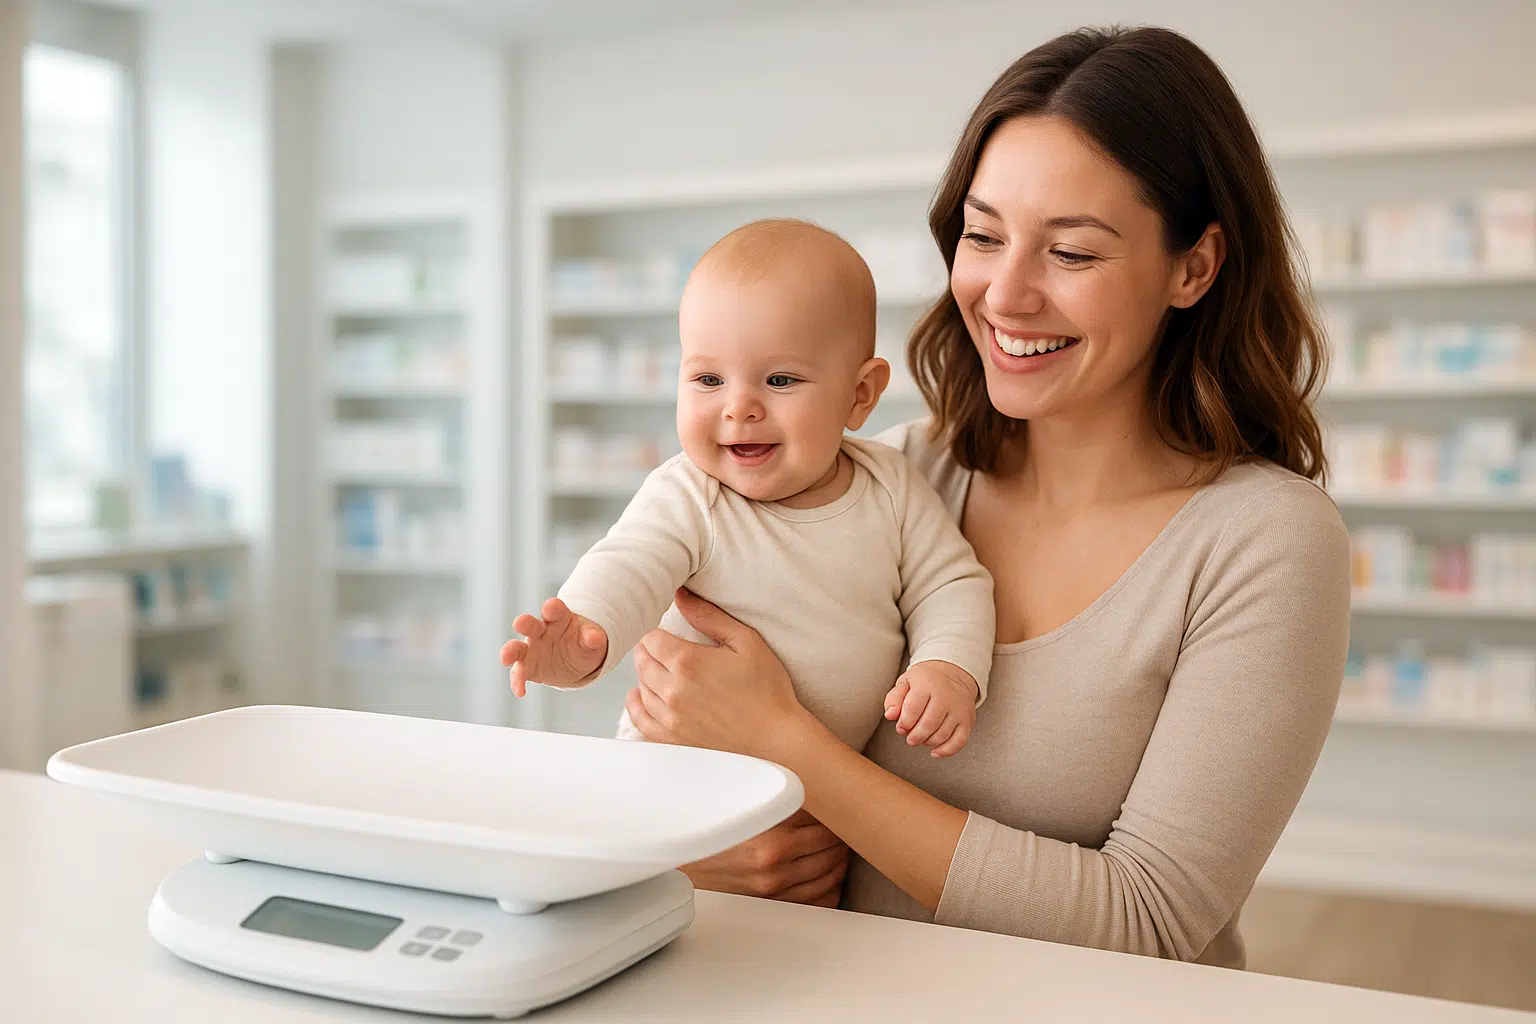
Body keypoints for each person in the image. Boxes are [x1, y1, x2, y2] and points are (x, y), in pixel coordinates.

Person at [619, 25, 1351, 968]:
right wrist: (708, 858)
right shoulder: (889, 477)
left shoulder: (1266, 542)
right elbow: (687, 741)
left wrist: (793, 747)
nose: (1005, 295)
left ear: (1194, 268)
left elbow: (1150, 923)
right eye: (982, 235)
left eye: (1073, 254)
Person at [502, 218, 995, 760]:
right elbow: (628, 566)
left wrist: (947, 667)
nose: (739, 408)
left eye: (779, 380)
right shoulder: (690, 495)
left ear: (859, 394)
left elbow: (950, 585)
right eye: (708, 380)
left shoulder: (892, 487)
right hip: (678, 764)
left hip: (825, 786)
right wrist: (583, 639)